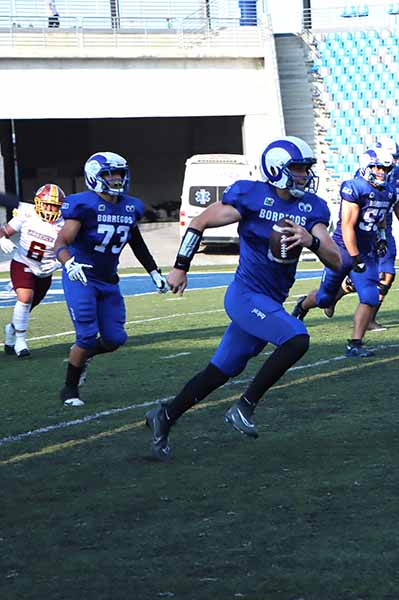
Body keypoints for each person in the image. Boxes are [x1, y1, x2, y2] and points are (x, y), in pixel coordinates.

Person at [145, 136, 340, 461]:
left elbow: (336, 260)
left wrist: (312, 242)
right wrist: (180, 267)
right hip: (245, 295)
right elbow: (199, 222)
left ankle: (164, 416)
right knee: (297, 338)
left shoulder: (313, 208)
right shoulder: (250, 195)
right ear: (277, 169)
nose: (305, 175)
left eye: (307, 168)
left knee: (220, 371)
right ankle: (245, 406)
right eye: (297, 168)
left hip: (269, 302)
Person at [52, 152, 168, 407]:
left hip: (108, 279)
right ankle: (70, 389)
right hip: (81, 276)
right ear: (94, 176)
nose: (116, 178)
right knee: (85, 336)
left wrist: (153, 271)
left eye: (119, 173)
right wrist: (68, 261)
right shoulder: (83, 204)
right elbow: (61, 241)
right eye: (109, 174)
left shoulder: (130, 206)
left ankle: (83, 357)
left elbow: (135, 240)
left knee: (116, 339)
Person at [290, 146, 394, 357]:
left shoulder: (387, 191)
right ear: (366, 167)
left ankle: (355, 344)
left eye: (385, 168)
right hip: (342, 250)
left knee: (370, 297)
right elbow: (347, 226)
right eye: (377, 167)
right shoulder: (355, 188)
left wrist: (382, 237)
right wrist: (355, 257)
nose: (382, 172)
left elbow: (380, 216)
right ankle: (303, 305)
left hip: (367, 251)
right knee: (325, 299)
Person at [320, 136, 399, 329]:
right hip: (364, 232)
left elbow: (398, 205)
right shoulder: (361, 179)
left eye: (394, 158)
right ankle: (336, 295)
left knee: (387, 275)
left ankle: (368, 319)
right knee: (364, 276)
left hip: (385, 228)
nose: (391, 163)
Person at [1, 184, 65, 358]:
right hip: (23, 262)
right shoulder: (27, 213)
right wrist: (2, 239)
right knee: (25, 298)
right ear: (38, 203)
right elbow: (3, 231)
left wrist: (60, 263)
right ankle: (20, 342)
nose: (51, 209)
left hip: (45, 270)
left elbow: (70, 248)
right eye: (47, 204)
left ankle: (12, 329)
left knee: (29, 305)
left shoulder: (65, 222)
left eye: (55, 206)